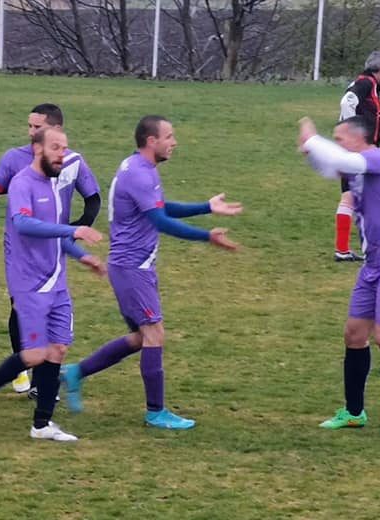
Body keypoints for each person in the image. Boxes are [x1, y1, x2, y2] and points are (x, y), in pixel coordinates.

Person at [59, 115, 243, 430]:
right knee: (154, 334)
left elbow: (158, 207)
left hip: (135, 266)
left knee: (140, 338)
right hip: (132, 269)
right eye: (169, 137)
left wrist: (205, 207)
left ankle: (76, 373)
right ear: (151, 141)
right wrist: (206, 236)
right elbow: (160, 221)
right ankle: (156, 412)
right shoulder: (139, 174)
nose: (174, 143)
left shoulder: (140, 168)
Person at [0, 103, 101, 396]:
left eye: (37, 127)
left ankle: (38, 383)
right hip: (21, 250)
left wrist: (73, 232)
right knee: (22, 308)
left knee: (52, 311)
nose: (30, 132)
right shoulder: (14, 159)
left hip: (54, 246)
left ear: (56, 130)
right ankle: (23, 369)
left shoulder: (73, 162)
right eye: (29, 126)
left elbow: (93, 200)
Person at [0, 127, 105, 442]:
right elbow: (24, 223)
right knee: (34, 354)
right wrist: (73, 231)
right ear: (37, 149)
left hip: (56, 280)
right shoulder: (22, 183)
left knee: (57, 349)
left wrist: (82, 256)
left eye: (65, 148)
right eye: (56, 148)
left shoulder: (55, 187)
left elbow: (54, 233)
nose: (62, 154)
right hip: (28, 283)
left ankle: (42, 425)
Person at [299, 115, 380, 438]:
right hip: (374, 264)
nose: (337, 144)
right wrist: (310, 151)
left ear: (359, 138)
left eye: (340, 138)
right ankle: (354, 412)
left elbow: (339, 160)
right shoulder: (356, 170)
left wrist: (313, 139)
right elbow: (328, 168)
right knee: (354, 334)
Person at [334, 51, 380, 262]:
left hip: (357, 149)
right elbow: (347, 102)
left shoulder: (369, 84)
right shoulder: (366, 83)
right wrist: (352, 136)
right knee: (366, 197)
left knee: (350, 195)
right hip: (359, 151)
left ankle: (343, 250)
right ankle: (373, 250)